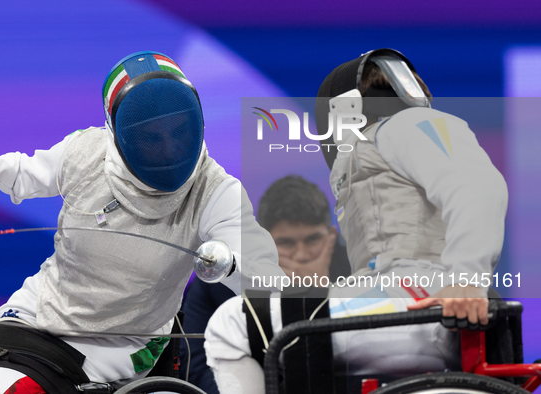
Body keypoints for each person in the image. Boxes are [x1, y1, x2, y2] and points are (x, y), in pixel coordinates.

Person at [0, 51, 284, 393]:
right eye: (151, 138)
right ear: (117, 133)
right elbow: (31, 171)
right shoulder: (86, 152)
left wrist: (230, 266)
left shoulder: (215, 191)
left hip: (114, 347)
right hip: (32, 314)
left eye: (179, 130)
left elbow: (271, 284)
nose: (170, 148)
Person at [204, 48, 509, 394]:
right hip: (407, 308)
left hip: (418, 304)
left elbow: (477, 184)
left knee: (231, 326)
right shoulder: (383, 148)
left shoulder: (405, 126)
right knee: (287, 323)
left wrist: (467, 278)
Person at [179, 175, 350, 393]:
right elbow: (195, 370)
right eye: (286, 243)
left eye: (312, 240)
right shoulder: (221, 275)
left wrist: (321, 295)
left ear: (331, 237)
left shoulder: (355, 265)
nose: (301, 254)